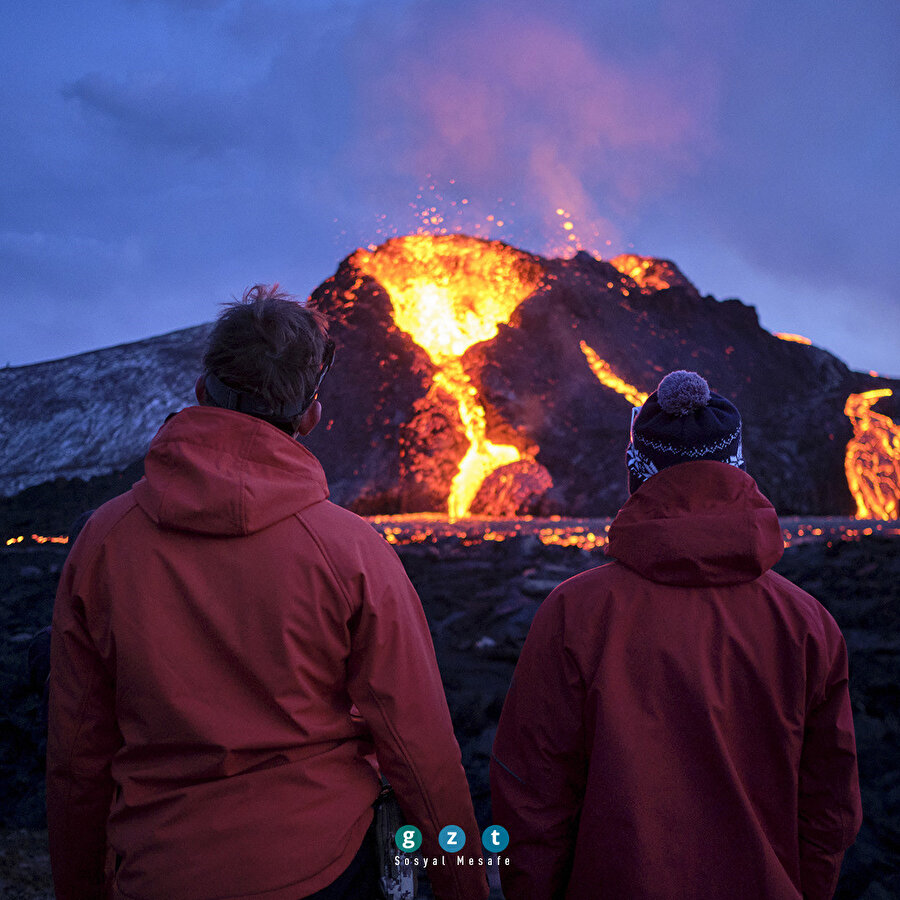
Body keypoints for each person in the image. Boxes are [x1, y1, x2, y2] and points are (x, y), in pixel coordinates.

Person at [47, 285, 488, 900]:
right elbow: (419, 745)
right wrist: (461, 888)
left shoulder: (103, 543)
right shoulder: (349, 550)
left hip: (160, 870)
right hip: (322, 869)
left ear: (202, 391)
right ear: (310, 412)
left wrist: (78, 886)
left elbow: (77, 752)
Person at [490, 370, 862, 900]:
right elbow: (831, 807)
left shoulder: (575, 613)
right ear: (737, 471)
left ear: (639, 474)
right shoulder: (807, 624)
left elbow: (531, 795)